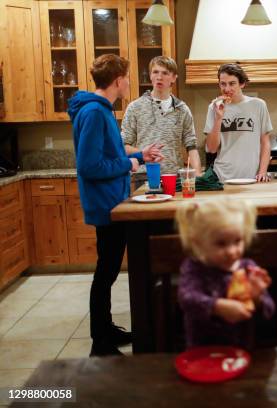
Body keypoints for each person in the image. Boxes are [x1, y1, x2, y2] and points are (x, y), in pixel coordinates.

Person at [68, 54, 163, 356]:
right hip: (106, 205)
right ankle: (101, 342)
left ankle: (105, 329)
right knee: (105, 272)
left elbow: (109, 153)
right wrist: (128, 165)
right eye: (128, 77)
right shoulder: (95, 112)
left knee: (107, 271)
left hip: (112, 202)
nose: (130, 82)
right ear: (119, 80)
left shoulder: (100, 110)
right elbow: (90, 166)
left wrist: (138, 155)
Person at [176, 198, 275, 348]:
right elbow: (187, 298)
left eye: (237, 241)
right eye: (221, 243)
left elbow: (269, 310)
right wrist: (216, 306)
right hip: (202, 352)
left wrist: (256, 297)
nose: (231, 251)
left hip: (244, 351)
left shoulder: (248, 268)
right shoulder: (195, 268)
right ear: (198, 243)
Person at [122, 56, 201, 187]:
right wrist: (145, 153)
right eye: (155, 72)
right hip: (143, 177)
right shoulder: (135, 107)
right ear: (150, 76)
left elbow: (191, 146)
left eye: (165, 73)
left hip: (174, 177)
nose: (159, 77)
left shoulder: (182, 109)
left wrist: (198, 177)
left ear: (174, 78)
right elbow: (123, 146)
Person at [204, 63, 273, 182]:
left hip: (252, 177)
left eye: (232, 83)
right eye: (223, 84)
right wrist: (218, 117)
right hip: (221, 177)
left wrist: (262, 172)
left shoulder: (259, 105)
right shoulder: (214, 107)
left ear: (242, 84)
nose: (227, 89)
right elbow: (211, 148)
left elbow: (265, 143)